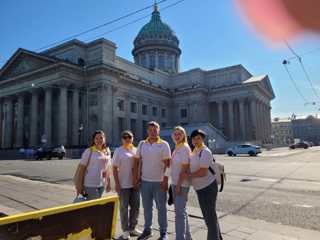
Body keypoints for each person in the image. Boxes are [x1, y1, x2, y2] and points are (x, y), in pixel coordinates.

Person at [181, 129, 221, 240]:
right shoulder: (195, 151)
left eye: (198, 138)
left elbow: (202, 172)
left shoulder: (205, 151)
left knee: (209, 217)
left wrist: (187, 176)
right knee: (210, 216)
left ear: (203, 139)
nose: (196, 140)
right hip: (200, 188)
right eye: (193, 138)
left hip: (208, 187)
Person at [134, 121, 171, 240]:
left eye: (155, 130)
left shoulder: (164, 144)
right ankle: (147, 229)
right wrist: (137, 177)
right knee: (147, 208)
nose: (153, 132)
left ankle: (163, 232)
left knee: (161, 208)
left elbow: (168, 164)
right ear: (147, 131)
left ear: (158, 131)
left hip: (159, 182)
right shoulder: (141, 144)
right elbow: (138, 162)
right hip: (145, 181)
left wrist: (165, 180)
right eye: (150, 130)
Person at [112, 130, 142, 239]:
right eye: (125, 137)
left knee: (136, 207)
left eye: (130, 137)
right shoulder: (118, 151)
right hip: (123, 184)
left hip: (135, 184)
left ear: (133, 138)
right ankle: (125, 230)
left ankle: (132, 228)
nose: (127, 139)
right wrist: (117, 184)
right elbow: (114, 168)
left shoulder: (136, 150)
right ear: (122, 139)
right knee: (124, 208)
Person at [76, 130, 111, 200]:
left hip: (102, 184)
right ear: (93, 140)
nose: (99, 140)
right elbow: (81, 169)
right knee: (96, 204)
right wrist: (79, 185)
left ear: (104, 139)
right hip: (90, 184)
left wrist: (108, 183)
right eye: (96, 138)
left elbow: (108, 169)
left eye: (101, 138)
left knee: (95, 205)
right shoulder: (89, 151)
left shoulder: (107, 151)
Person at [171, 126, 192, 240]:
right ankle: (188, 237)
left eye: (179, 134)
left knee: (179, 214)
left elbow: (184, 169)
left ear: (184, 135)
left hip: (181, 184)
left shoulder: (184, 147)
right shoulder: (177, 147)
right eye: (175, 134)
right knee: (182, 211)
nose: (177, 136)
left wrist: (178, 185)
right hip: (176, 183)